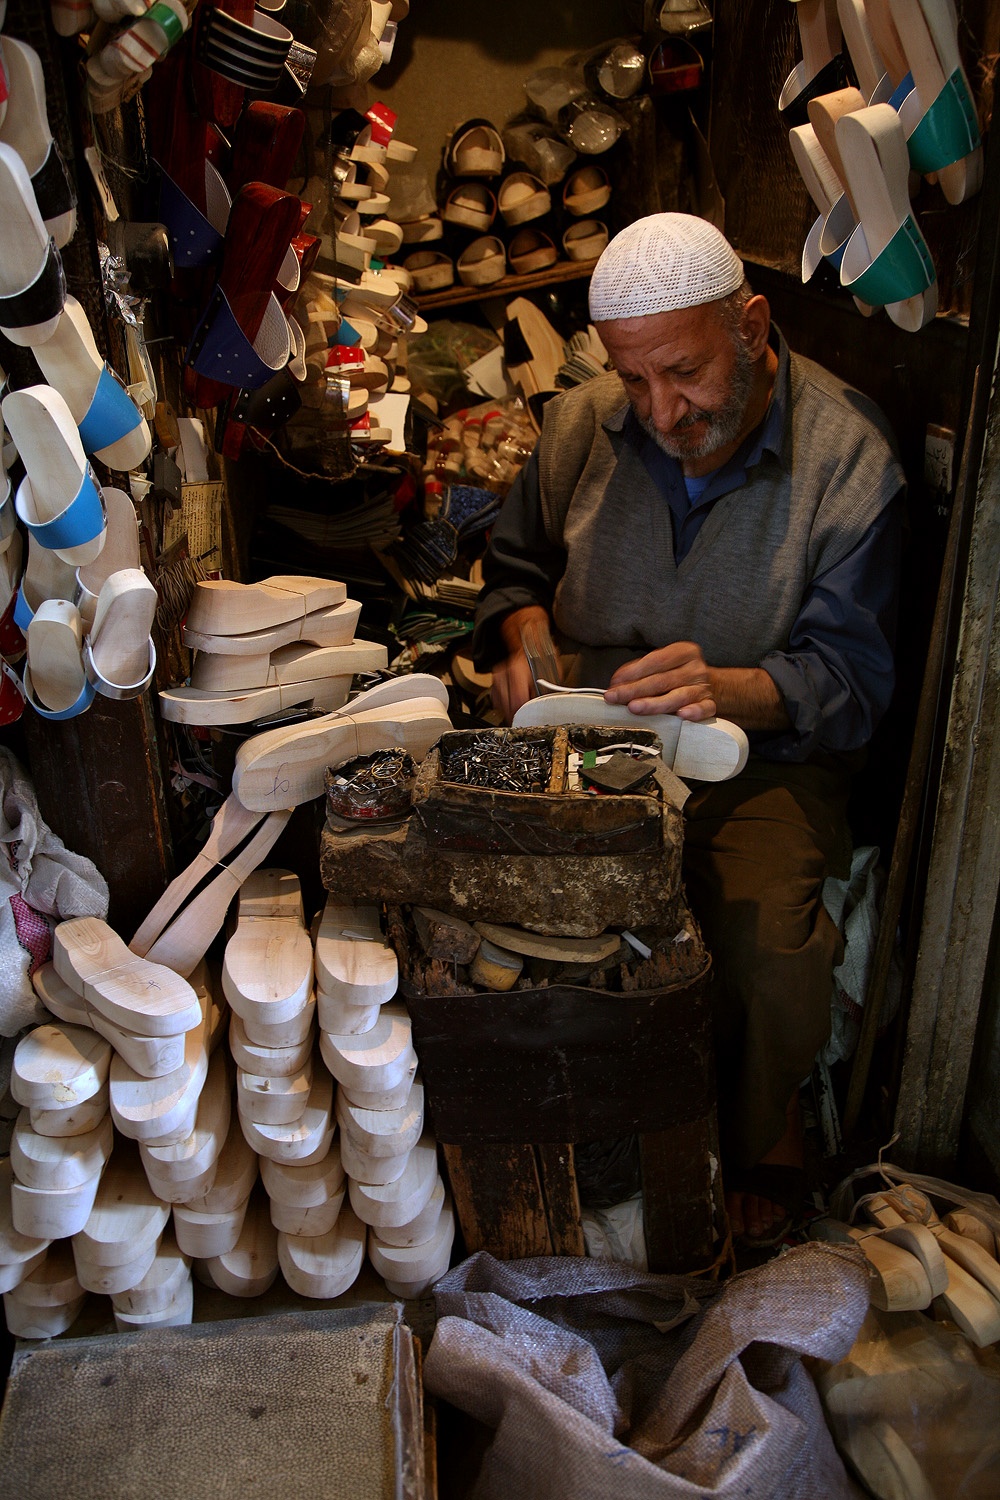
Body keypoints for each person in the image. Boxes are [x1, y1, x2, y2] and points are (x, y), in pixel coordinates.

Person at [472, 213, 904, 1244]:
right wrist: (521, 638)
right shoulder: (581, 426)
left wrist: (731, 690)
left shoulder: (849, 459)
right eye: (634, 382)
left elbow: (852, 682)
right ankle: (574, 1141)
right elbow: (512, 574)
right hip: (581, 734)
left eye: (685, 374)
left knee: (760, 946)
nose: (662, 411)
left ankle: (763, 1132)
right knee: (500, 917)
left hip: (753, 758)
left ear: (751, 326)